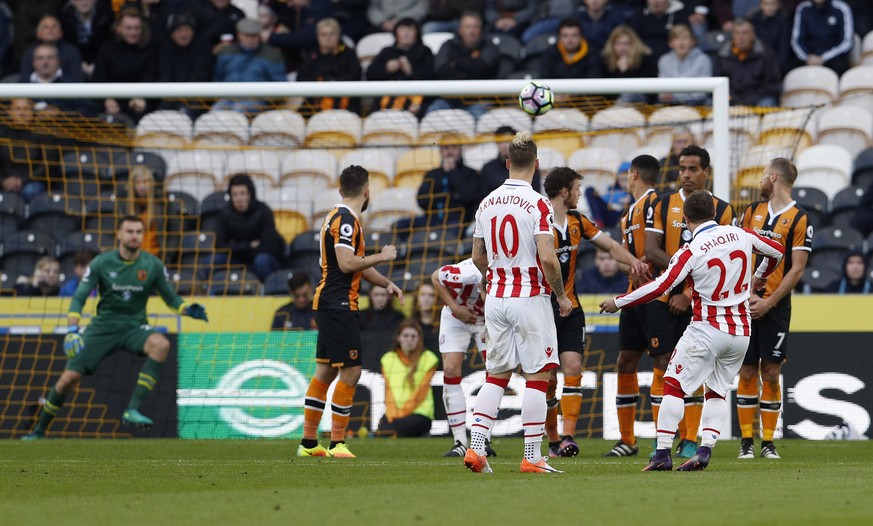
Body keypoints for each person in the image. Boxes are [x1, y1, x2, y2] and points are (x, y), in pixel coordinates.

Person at [599, 190, 785, 471]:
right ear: (713, 212)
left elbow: (660, 286)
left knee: (672, 384)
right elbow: (777, 251)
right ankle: (705, 449)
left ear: (685, 219)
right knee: (717, 392)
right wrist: (759, 277)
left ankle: (662, 454)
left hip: (708, 327)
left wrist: (619, 301)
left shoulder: (692, 250)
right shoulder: (741, 234)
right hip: (740, 331)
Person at [21, 215, 209, 439]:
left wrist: (187, 309)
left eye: (139, 232)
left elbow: (171, 299)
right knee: (68, 379)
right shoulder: (102, 262)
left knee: (161, 344)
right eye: (129, 231)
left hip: (134, 327)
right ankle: (39, 430)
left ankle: (132, 409)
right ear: (119, 234)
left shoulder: (153, 265)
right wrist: (72, 330)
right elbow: (79, 297)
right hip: (103, 327)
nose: (134, 236)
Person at [463, 131, 571, 475]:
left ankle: (476, 448)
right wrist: (561, 295)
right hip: (529, 297)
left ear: (508, 163)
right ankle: (532, 456)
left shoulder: (486, 202)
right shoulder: (540, 203)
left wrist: (497, 273)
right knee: (538, 378)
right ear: (536, 165)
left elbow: (478, 257)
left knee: (496, 375)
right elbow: (549, 258)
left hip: (496, 298)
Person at [297, 165, 404, 459]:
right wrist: (383, 255)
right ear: (366, 191)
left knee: (326, 371)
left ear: (341, 189)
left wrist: (386, 282)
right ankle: (337, 442)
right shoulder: (345, 220)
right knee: (352, 370)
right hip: (338, 304)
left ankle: (308, 444)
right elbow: (347, 264)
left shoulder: (340, 217)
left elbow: (356, 264)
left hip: (329, 303)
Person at [541, 166, 647, 458]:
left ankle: (568, 438)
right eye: (576, 189)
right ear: (564, 192)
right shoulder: (537, 221)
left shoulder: (577, 220)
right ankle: (552, 441)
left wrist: (634, 263)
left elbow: (611, 246)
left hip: (572, 309)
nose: (578, 193)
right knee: (548, 380)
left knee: (573, 369)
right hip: (541, 310)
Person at [645, 145, 736, 460]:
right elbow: (651, 250)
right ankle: (665, 440)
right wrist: (680, 284)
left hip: (702, 304)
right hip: (666, 297)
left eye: (693, 169)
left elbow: (725, 258)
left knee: (702, 370)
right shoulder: (662, 203)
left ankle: (688, 439)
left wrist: (687, 292)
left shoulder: (723, 210)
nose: (685, 175)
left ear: (706, 172)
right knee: (664, 364)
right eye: (682, 168)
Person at [737, 157, 812, 460]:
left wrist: (769, 301)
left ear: (774, 178)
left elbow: (797, 270)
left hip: (775, 307)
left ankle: (768, 441)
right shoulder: (751, 212)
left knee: (770, 372)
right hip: (745, 303)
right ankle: (746, 442)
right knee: (745, 370)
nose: (760, 181)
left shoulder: (799, 218)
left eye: (764, 175)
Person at [604, 154, 660, 457]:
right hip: (632, 296)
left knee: (663, 364)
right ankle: (628, 440)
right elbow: (623, 254)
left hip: (655, 296)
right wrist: (629, 265)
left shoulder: (656, 204)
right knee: (625, 361)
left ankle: (664, 438)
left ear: (633, 174)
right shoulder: (630, 212)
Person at [430, 257, 491, 457]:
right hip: (456, 318)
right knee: (450, 369)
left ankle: (484, 439)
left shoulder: (505, 272)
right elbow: (435, 277)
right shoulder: (463, 273)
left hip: (487, 320)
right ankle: (460, 441)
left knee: (496, 373)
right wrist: (456, 309)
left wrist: (491, 325)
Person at [214, 174, 284, 282]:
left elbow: (270, 246)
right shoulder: (225, 214)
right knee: (214, 260)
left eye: (243, 194)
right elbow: (220, 246)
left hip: (260, 260)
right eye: (235, 195)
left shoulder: (264, 211)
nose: (239, 198)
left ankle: (266, 292)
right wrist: (249, 246)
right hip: (236, 260)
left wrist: (235, 246)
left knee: (262, 260)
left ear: (250, 194)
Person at [376, 319, 440, 437]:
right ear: (398, 338)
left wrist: (400, 415)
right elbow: (388, 392)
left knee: (401, 426)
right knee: (383, 429)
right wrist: (393, 414)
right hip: (394, 414)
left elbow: (421, 393)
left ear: (419, 339)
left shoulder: (429, 359)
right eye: (405, 336)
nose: (409, 340)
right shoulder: (387, 359)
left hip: (421, 412)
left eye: (413, 336)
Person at [429, 11, 499, 117]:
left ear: (480, 29)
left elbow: (483, 69)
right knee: (433, 111)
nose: (471, 31)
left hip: (478, 100)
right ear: (460, 29)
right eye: (467, 27)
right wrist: (471, 67)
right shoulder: (448, 45)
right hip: (449, 100)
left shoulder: (489, 46)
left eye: (475, 27)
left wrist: (455, 63)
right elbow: (441, 69)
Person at [92, 7, 156, 121]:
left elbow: (152, 75)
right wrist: (107, 99)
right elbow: (99, 77)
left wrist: (142, 97)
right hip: (111, 105)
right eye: (128, 28)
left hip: (141, 105)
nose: (133, 32)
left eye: (137, 28)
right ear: (119, 28)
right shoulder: (107, 49)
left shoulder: (150, 49)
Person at [213, 18, 286, 115]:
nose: (250, 39)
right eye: (247, 35)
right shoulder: (227, 52)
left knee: (238, 111)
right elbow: (218, 78)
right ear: (239, 35)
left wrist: (265, 98)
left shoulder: (271, 55)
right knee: (215, 112)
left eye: (254, 35)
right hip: (228, 98)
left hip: (257, 100)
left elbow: (280, 85)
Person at [365, 17, 434, 116]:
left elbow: (432, 77)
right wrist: (386, 68)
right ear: (396, 33)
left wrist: (412, 71)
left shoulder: (425, 52)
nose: (405, 34)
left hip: (416, 101)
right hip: (386, 100)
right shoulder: (387, 52)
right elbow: (370, 74)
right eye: (402, 30)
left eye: (409, 30)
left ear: (417, 33)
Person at [296, 17, 363, 113]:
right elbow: (301, 78)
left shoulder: (349, 54)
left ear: (339, 35)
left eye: (332, 34)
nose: (327, 38)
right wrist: (320, 82)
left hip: (345, 105)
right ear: (317, 37)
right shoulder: (312, 55)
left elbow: (355, 75)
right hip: (314, 106)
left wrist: (333, 82)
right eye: (323, 34)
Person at [416, 135, 481, 229]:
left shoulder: (470, 173)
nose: (450, 151)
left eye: (454, 147)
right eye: (446, 148)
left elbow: (469, 197)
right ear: (440, 151)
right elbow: (422, 201)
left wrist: (452, 173)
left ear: (461, 150)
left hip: (458, 221)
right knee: (400, 226)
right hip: (431, 220)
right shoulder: (432, 174)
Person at [713, 18, 782, 107]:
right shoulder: (723, 54)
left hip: (759, 99)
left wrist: (751, 100)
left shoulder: (765, 53)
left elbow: (773, 84)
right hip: (732, 100)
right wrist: (734, 100)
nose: (741, 37)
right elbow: (719, 83)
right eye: (737, 33)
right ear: (732, 35)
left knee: (767, 102)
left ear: (753, 35)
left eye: (745, 33)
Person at [120, 165, 183, 261]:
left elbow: (175, 230)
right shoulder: (124, 206)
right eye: (138, 183)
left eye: (145, 182)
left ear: (151, 183)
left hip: (156, 257)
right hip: (130, 257)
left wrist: (168, 254)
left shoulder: (163, 203)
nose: (142, 186)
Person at [0, 99, 48, 203]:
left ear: (33, 112)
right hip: (5, 179)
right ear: (9, 111)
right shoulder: (2, 133)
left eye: (26, 109)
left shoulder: (42, 134)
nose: (22, 113)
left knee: (31, 191)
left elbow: (47, 164)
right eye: (18, 109)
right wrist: (3, 181)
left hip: (32, 181)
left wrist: (22, 180)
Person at [790, 0, 854, 76]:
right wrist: (808, 57)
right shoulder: (803, 8)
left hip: (834, 58)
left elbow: (847, 41)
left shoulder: (841, 8)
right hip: (808, 58)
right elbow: (797, 40)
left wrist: (823, 58)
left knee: (840, 67)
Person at [19, 14, 85, 83]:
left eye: (54, 27)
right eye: (46, 27)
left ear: (61, 32)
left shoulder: (72, 52)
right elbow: (23, 82)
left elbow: (77, 81)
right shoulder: (29, 53)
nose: (50, 30)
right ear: (38, 33)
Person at [657, 24, 712, 106]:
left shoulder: (703, 60)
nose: (681, 42)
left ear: (693, 41)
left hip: (698, 105)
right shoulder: (664, 60)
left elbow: (702, 93)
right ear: (670, 43)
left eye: (685, 38)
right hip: (671, 105)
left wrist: (675, 95)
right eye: (677, 38)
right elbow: (663, 94)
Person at [600, 25, 657, 103]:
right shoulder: (605, 61)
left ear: (633, 44)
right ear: (612, 45)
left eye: (626, 44)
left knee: (628, 95)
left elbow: (647, 91)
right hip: (612, 104)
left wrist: (625, 72)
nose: (622, 48)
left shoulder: (644, 60)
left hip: (640, 104)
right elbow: (606, 92)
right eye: (618, 43)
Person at [60, 0, 114, 79]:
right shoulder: (64, 18)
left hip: (103, 65)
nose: (84, 1)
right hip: (75, 65)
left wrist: (97, 64)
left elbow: (110, 45)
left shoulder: (107, 16)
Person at [480, 126, 542, 195]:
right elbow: (483, 195)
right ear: (496, 143)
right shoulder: (488, 169)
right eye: (500, 141)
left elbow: (535, 193)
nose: (504, 145)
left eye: (507, 141)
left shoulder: (528, 165)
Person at [748, 0, 792, 75]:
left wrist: (776, 66)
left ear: (778, 5)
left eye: (773, 4)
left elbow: (784, 48)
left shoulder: (784, 21)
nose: (770, 7)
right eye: (766, 4)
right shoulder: (754, 20)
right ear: (761, 4)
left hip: (777, 64)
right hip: (757, 61)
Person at [410, 281, 440, 353]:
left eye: (431, 295)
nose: (426, 299)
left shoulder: (443, 325)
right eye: (423, 294)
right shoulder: (409, 324)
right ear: (416, 297)